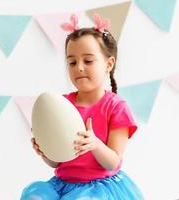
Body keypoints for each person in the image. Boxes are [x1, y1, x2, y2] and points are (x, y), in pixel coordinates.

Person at [20, 13, 145, 200]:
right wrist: (46, 152)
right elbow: (58, 161)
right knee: (35, 197)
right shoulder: (62, 104)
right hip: (62, 184)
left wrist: (95, 144)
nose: (79, 67)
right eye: (72, 62)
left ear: (108, 64)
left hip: (98, 187)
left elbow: (113, 162)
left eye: (88, 61)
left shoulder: (115, 107)